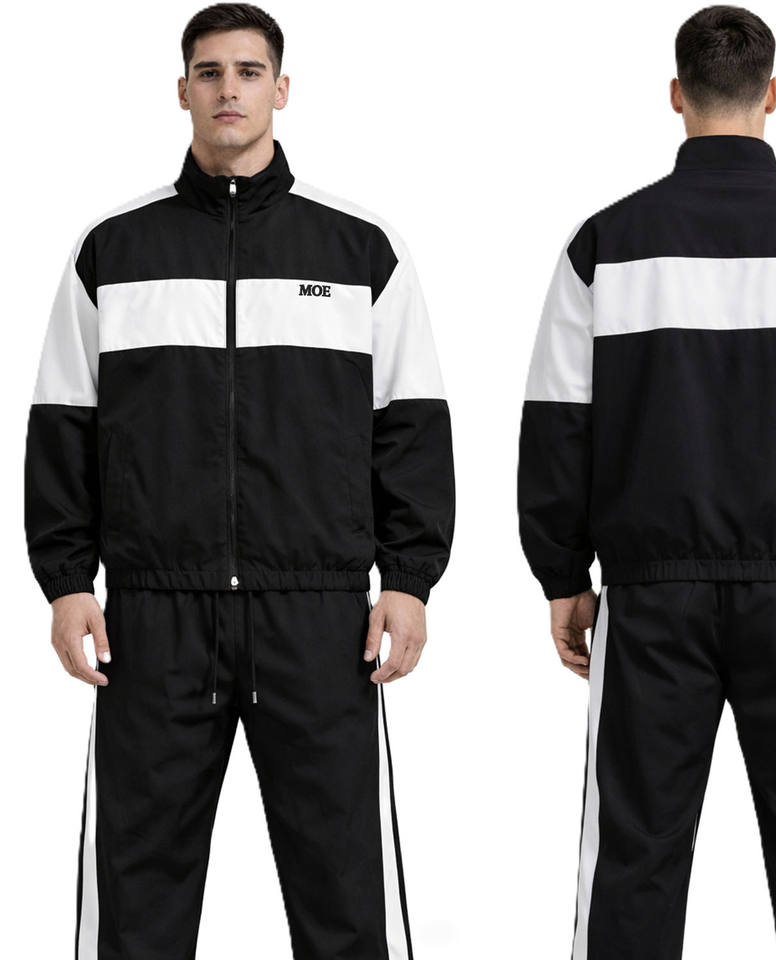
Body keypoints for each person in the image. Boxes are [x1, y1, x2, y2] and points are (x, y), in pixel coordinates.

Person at [23, 4, 454, 958]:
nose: (229, 90)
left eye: (249, 72)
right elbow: (62, 424)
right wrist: (65, 581)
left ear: (281, 90)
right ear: (181, 90)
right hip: (155, 616)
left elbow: (412, 425)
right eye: (210, 72)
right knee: (136, 904)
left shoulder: (358, 250)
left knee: (344, 897)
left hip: (319, 616)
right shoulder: (114, 250)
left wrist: (410, 579)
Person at [516, 6, 776, 960]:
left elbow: (557, 423)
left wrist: (563, 576)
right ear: (772, 95)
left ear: (676, 96)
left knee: (634, 857)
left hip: (652, 599)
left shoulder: (606, 244)